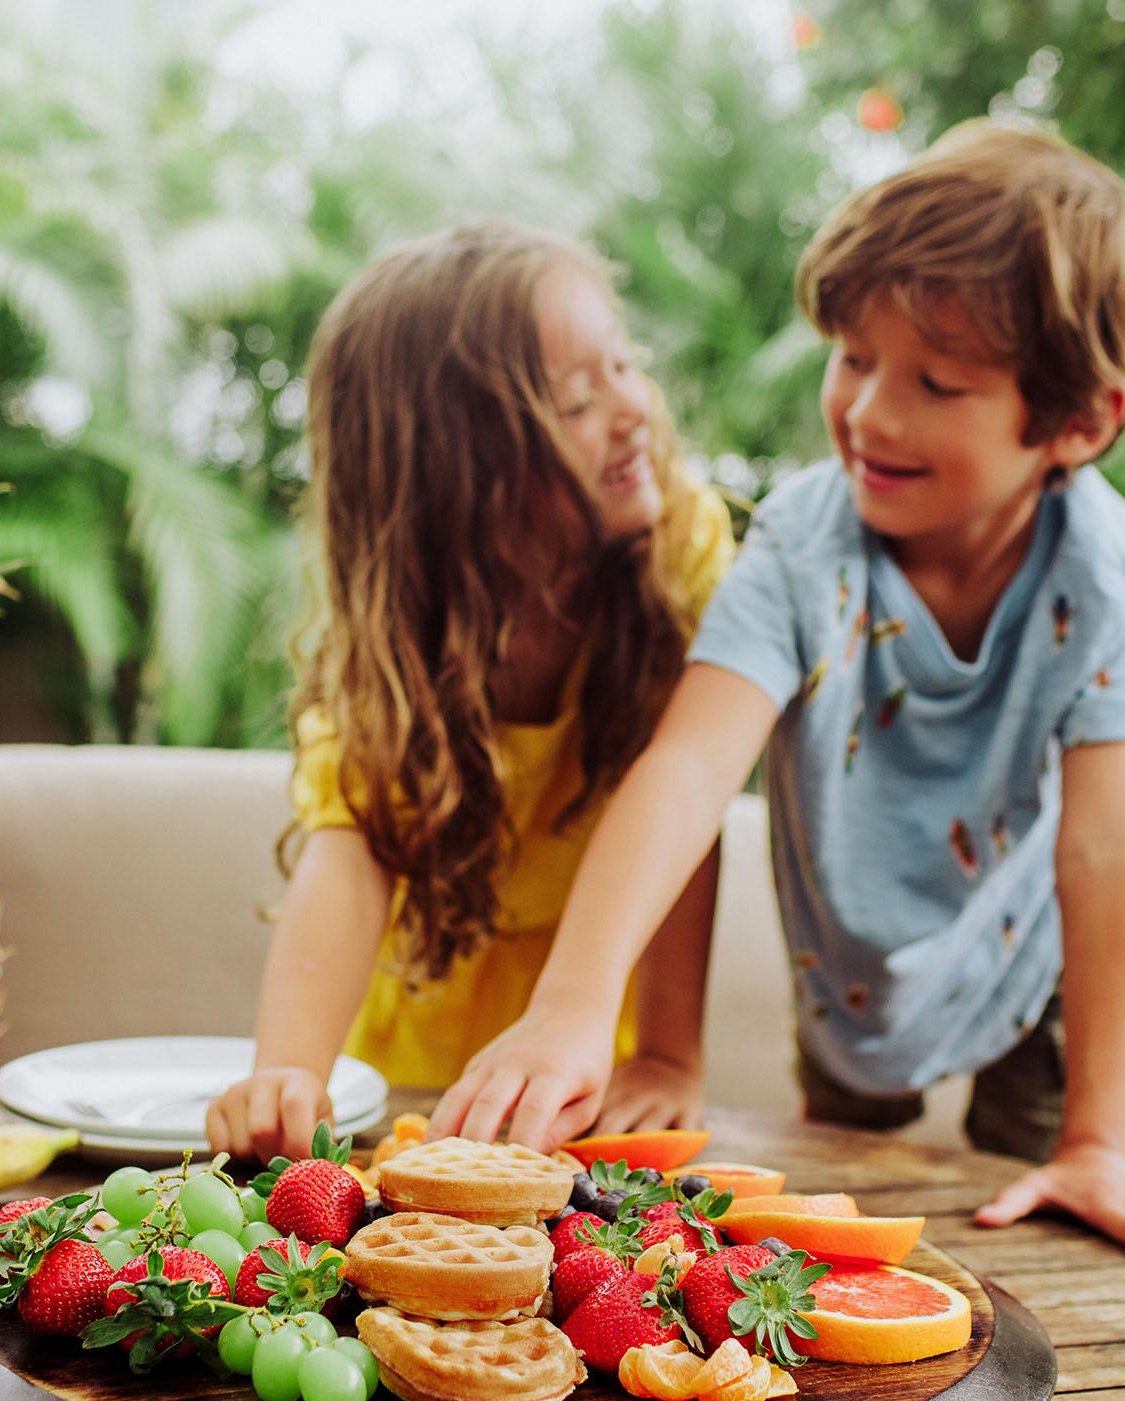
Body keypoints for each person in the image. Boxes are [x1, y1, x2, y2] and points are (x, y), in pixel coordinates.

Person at [435, 124, 1125, 1267]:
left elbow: (1109, 852)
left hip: (1032, 976)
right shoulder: (799, 545)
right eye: (854, 358)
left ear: (1082, 421)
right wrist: (582, 1006)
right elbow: (684, 770)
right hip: (852, 973)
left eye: (938, 382)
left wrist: (1101, 1139)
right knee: (822, 1235)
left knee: (1044, 1250)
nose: (870, 413)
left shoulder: (1111, 575)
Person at [205, 222, 734, 1163]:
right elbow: (352, 850)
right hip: (414, 1034)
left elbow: (684, 807)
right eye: (577, 398)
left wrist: (667, 1050)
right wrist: (289, 1071)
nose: (632, 410)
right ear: (462, 472)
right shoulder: (394, 641)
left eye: (625, 364)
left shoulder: (679, 553)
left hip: (579, 1032)